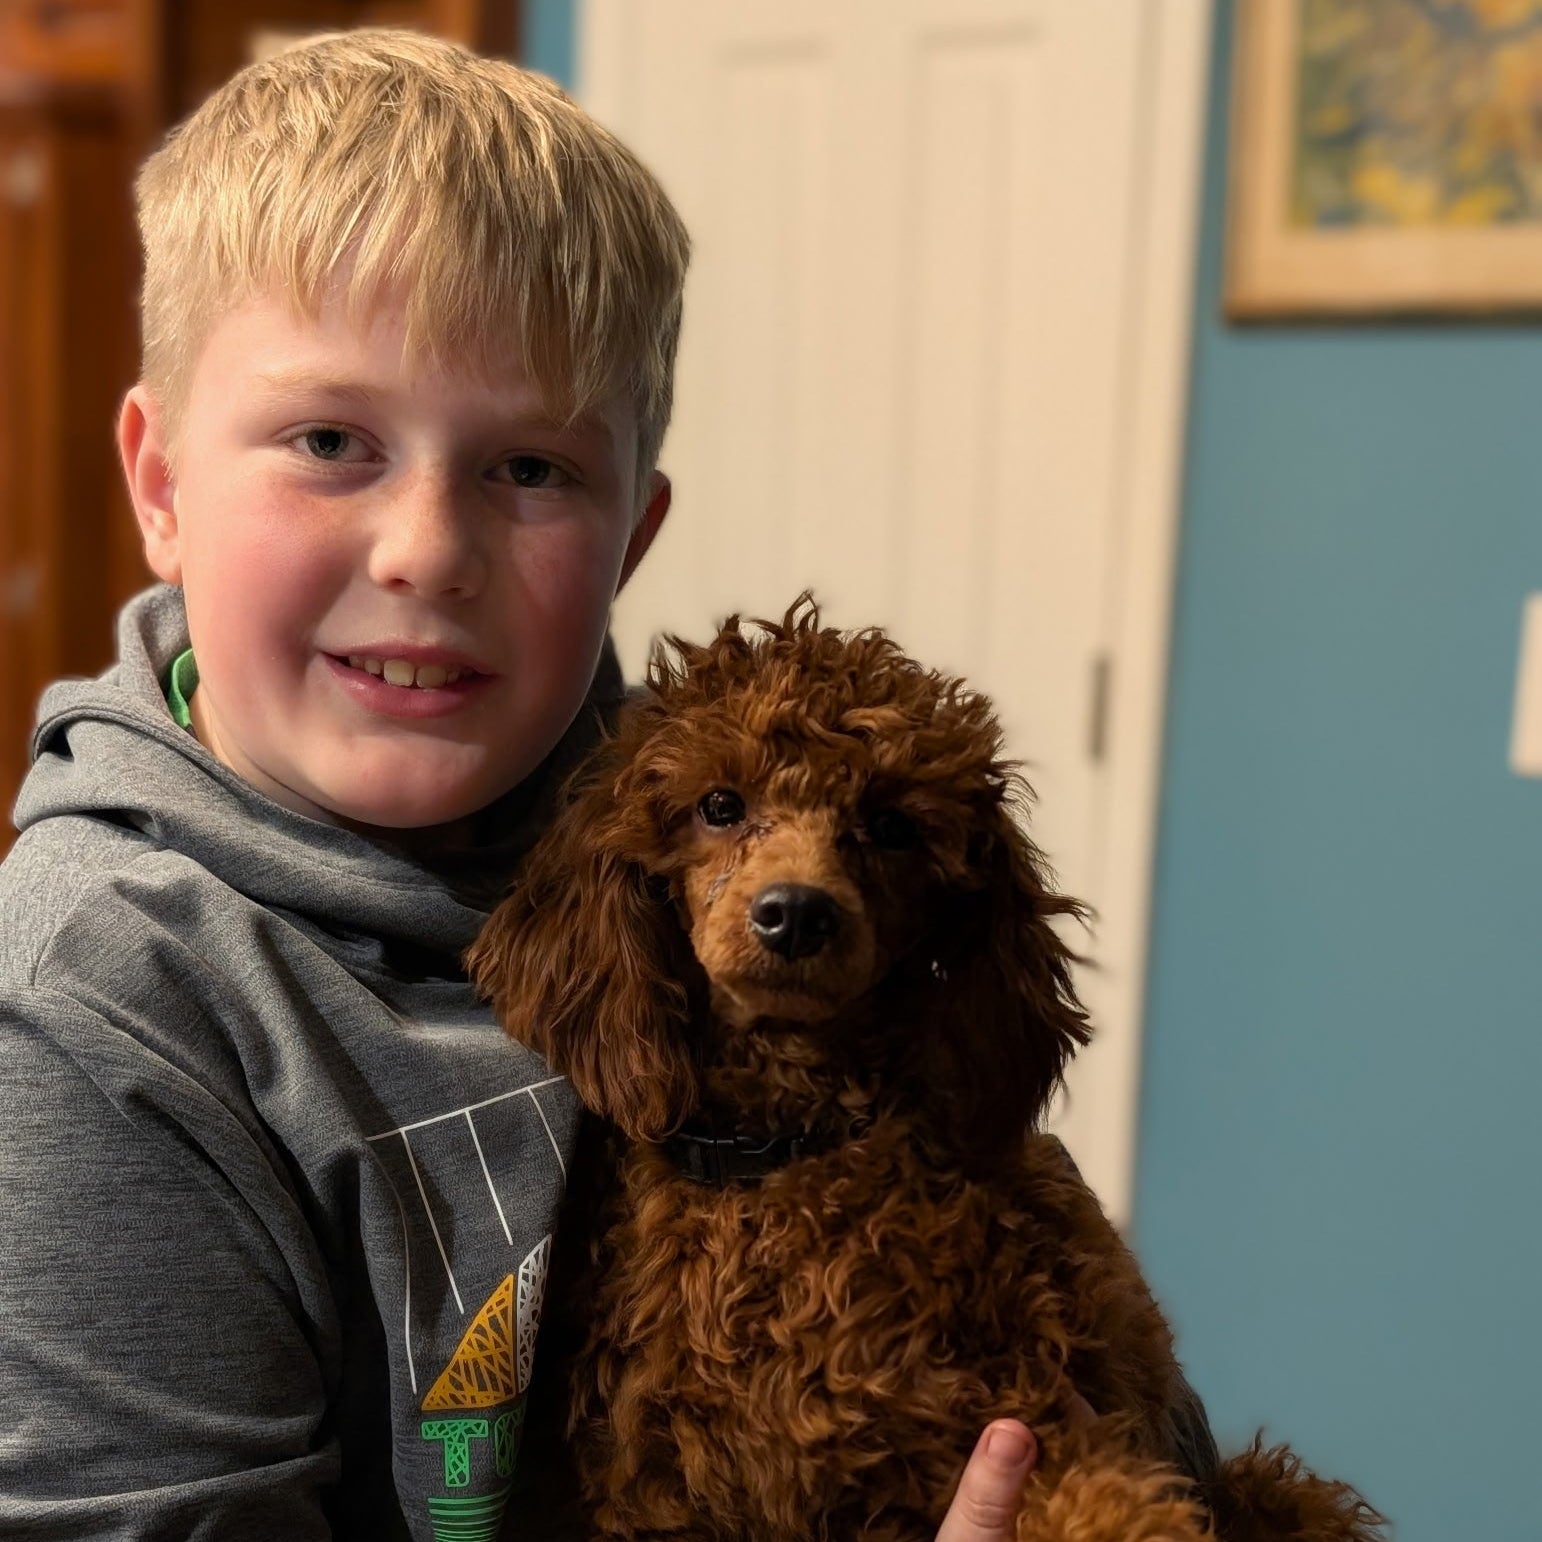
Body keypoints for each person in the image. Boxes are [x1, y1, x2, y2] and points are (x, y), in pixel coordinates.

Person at [0, 29, 1045, 1541]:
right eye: (330, 439)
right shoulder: (99, 1006)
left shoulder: (693, 836)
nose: (428, 547)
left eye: (531, 469)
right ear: (160, 483)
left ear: (634, 534)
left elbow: (1020, 1280)